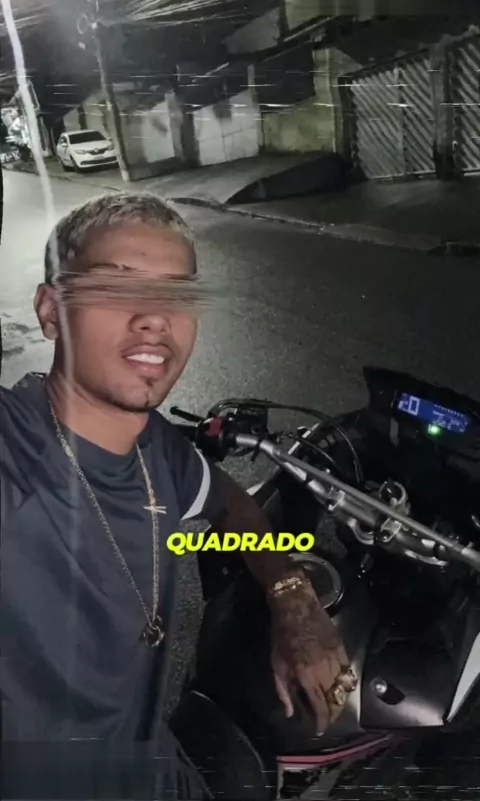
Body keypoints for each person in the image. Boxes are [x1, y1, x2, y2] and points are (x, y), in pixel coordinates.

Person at [0, 193, 354, 799]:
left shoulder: (156, 447)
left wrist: (292, 595)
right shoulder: (15, 448)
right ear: (51, 310)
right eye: (117, 287)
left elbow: (228, 502)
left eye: (178, 296)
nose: (155, 318)